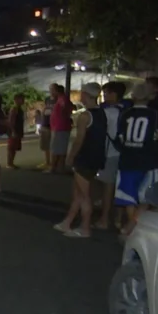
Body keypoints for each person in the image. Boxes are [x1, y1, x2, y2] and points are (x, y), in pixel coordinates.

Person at [54, 83, 107, 238]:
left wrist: (71, 156)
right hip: (96, 156)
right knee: (78, 192)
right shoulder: (101, 113)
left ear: (85, 95)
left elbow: (79, 139)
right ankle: (67, 222)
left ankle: (85, 228)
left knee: (84, 195)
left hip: (84, 157)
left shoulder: (85, 116)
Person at [114, 83, 158, 239]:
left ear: (133, 97)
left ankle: (130, 226)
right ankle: (132, 227)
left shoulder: (125, 114)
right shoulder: (154, 115)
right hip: (148, 161)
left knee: (129, 198)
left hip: (128, 161)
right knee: (147, 196)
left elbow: (119, 138)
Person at [94, 82, 124, 230]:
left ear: (114, 94)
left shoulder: (108, 112)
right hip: (123, 153)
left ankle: (104, 219)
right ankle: (118, 218)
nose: (104, 96)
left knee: (108, 186)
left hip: (110, 153)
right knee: (118, 186)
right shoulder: (125, 110)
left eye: (106, 93)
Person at [47, 83, 74, 173]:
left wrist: (63, 117)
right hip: (60, 127)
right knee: (61, 148)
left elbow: (66, 109)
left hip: (60, 127)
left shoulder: (62, 99)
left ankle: (53, 168)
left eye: (52, 90)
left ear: (57, 91)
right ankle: (60, 167)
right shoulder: (61, 99)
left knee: (56, 148)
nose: (51, 92)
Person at [6, 93, 25, 168]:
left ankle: (11, 163)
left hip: (17, 130)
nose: (23, 101)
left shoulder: (19, 108)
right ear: (16, 100)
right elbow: (11, 121)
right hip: (14, 131)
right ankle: (9, 163)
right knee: (11, 148)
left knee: (14, 148)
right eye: (22, 99)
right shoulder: (14, 109)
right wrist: (13, 131)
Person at [38, 94, 54, 169]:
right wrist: (41, 126)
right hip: (45, 126)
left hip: (51, 127)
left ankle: (51, 163)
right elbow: (43, 117)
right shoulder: (45, 109)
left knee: (51, 145)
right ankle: (48, 162)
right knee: (45, 146)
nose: (48, 104)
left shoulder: (53, 109)